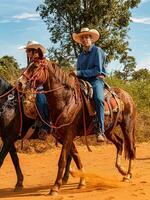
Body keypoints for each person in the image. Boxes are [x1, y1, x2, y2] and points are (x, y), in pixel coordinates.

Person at [72, 28, 107, 142]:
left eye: (87, 37)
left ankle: (100, 130)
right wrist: (74, 76)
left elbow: (97, 70)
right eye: (82, 38)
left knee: (98, 99)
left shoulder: (97, 51)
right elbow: (79, 71)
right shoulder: (81, 56)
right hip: (83, 81)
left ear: (91, 39)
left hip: (95, 79)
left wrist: (79, 73)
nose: (84, 39)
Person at [20, 40, 52, 139]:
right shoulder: (31, 64)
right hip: (34, 88)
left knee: (40, 99)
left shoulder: (43, 61)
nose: (27, 53)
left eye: (29, 51)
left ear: (35, 51)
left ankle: (46, 126)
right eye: (27, 51)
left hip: (45, 87)